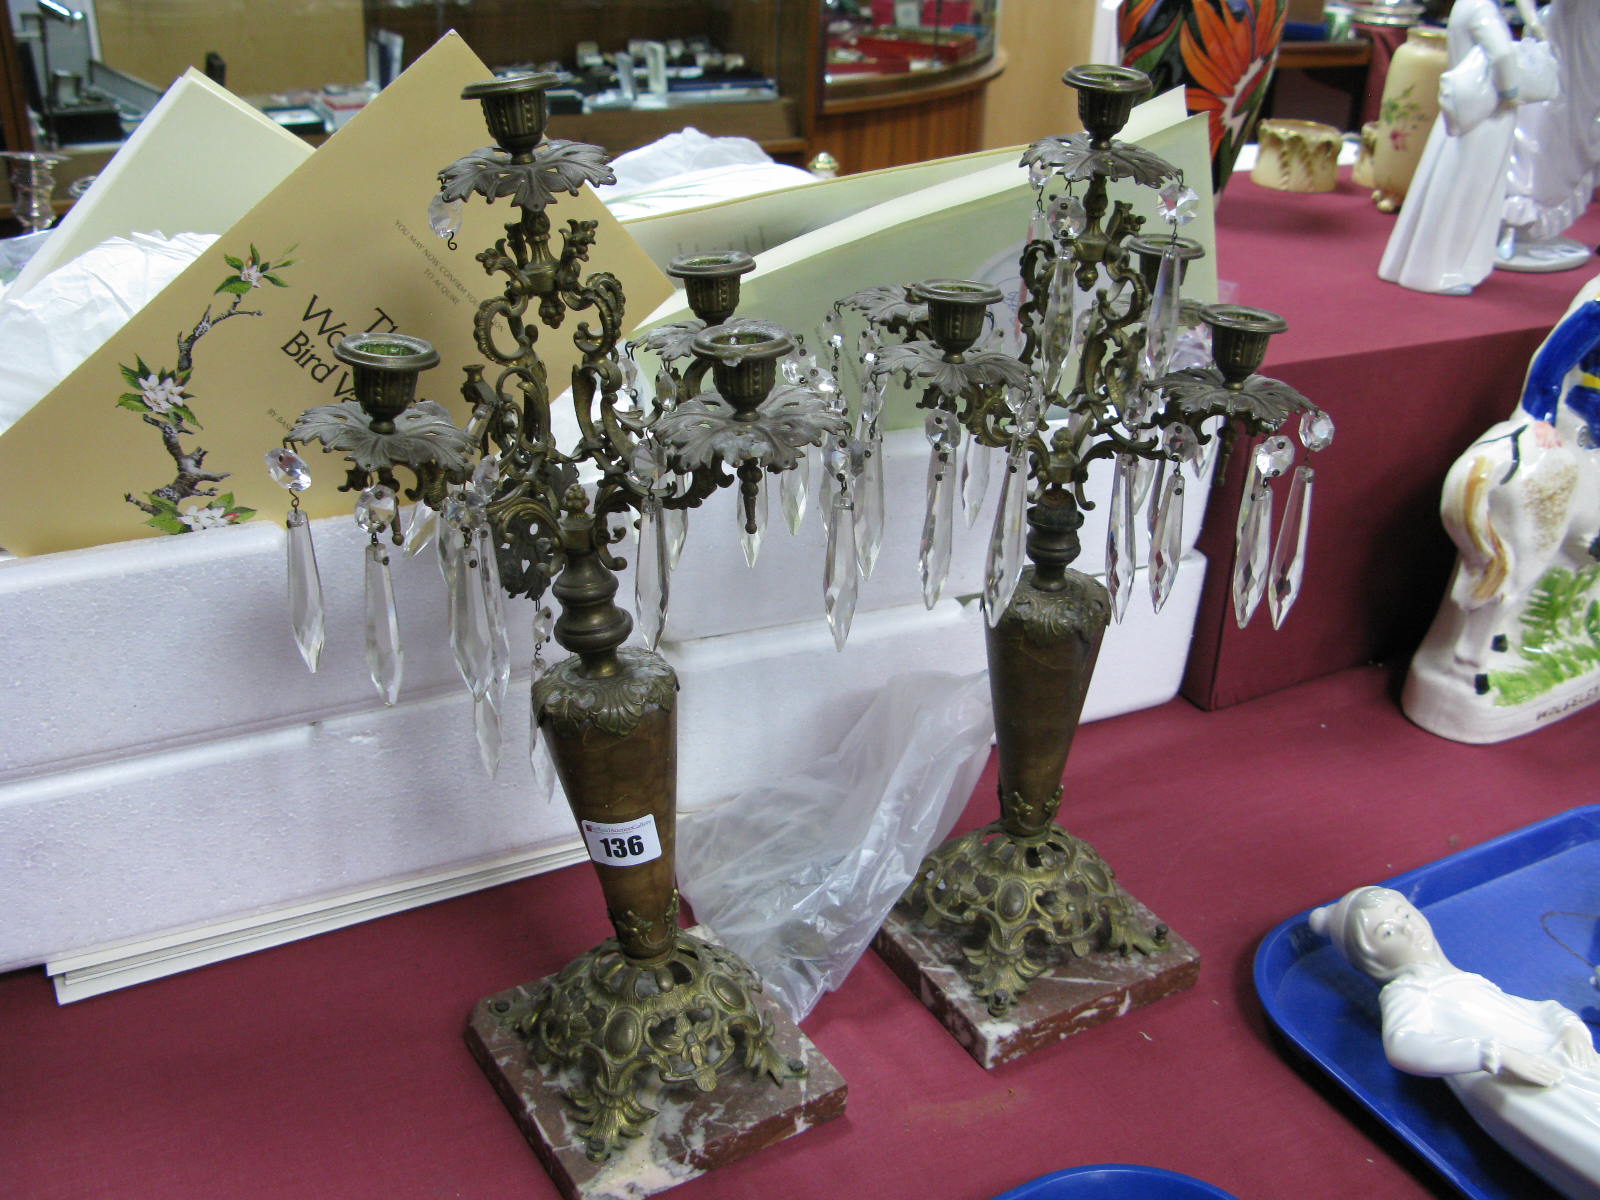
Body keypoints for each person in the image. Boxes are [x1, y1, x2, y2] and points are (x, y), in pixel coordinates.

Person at [1311, 886, 1600, 1200]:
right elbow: (1403, 1044)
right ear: (1371, 958)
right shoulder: (1408, 991)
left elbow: (1538, 1010)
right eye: (1389, 932)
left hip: (1563, 1060)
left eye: (1405, 914)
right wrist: (1494, 1054)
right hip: (1519, 1083)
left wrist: (1571, 1029)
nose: (1410, 928)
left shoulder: (1464, 979)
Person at [1378, 0, 1543, 293]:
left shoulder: (1466, 5)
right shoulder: (1483, 10)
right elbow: (1503, 54)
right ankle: (1440, 270)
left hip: (1464, 110)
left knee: (1445, 186)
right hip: (1485, 114)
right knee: (1465, 192)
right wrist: (1512, 93)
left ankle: (1416, 264)